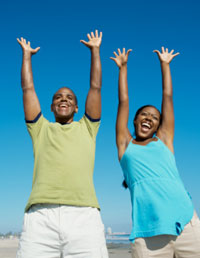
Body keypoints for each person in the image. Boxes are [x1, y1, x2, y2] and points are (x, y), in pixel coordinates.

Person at [16, 30, 108, 258]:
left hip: (84, 216)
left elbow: (95, 87)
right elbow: (28, 89)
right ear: (51, 107)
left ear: (77, 108)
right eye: (58, 97)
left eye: (69, 97)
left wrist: (96, 51)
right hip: (40, 216)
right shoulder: (40, 128)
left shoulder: (88, 127)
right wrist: (26, 55)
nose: (64, 99)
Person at [110, 47, 200, 257]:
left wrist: (165, 65)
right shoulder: (125, 145)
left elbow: (167, 96)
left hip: (187, 224)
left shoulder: (165, 140)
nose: (149, 118)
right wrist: (122, 68)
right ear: (135, 120)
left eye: (154, 117)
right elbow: (123, 101)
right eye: (144, 115)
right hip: (148, 233)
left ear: (159, 125)